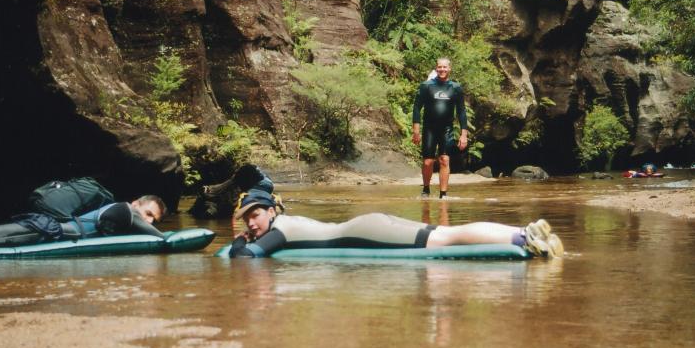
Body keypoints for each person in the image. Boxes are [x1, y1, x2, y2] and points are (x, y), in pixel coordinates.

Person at [228, 188, 564, 259]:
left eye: (256, 215)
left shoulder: (284, 228)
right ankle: (522, 233)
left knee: (445, 239)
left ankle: (522, 237)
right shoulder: (289, 222)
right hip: (368, 226)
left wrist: (239, 240)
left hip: (365, 233)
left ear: (272, 211)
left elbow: (247, 258)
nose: (253, 223)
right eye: (247, 218)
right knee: (445, 233)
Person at [0, 195, 166, 247]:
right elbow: (161, 239)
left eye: (154, 219)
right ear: (136, 203)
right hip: (53, 230)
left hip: (54, 228)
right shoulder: (128, 211)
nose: (149, 221)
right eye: (148, 213)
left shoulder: (121, 211)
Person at [412, 57, 468, 199]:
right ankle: (426, 189)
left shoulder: (456, 88)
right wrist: (416, 131)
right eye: (439, 67)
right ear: (436, 68)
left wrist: (463, 135)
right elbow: (417, 108)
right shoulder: (426, 86)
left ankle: (443, 194)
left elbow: (461, 111)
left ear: (449, 69)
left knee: (444, 159)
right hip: (429, 128)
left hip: (446, 129)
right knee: (428, 161)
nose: (442, 69)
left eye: (445, 67)